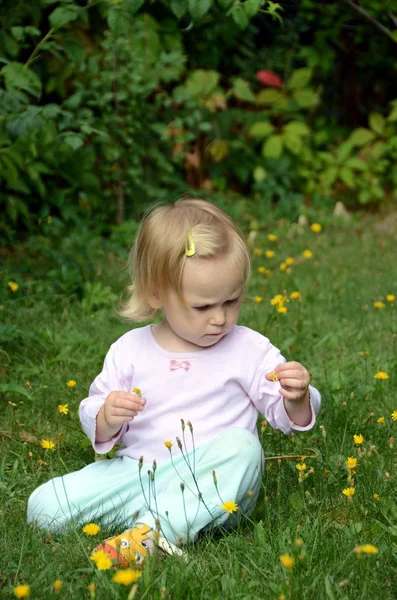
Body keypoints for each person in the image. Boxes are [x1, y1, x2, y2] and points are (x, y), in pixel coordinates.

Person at [27, 198, 321, 567]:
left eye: (232, 301)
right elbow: (93, 410)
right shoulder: (130, 349)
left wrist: (296, 398)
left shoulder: (249, 348)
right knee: (43, 506)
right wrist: (107, 416)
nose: (220, 318)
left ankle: (152, 531)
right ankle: (153, 515)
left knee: (245, 449)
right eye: (203, 307)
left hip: (214, 483)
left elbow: (284, 414)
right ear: (156, 293)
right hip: (137, 472)